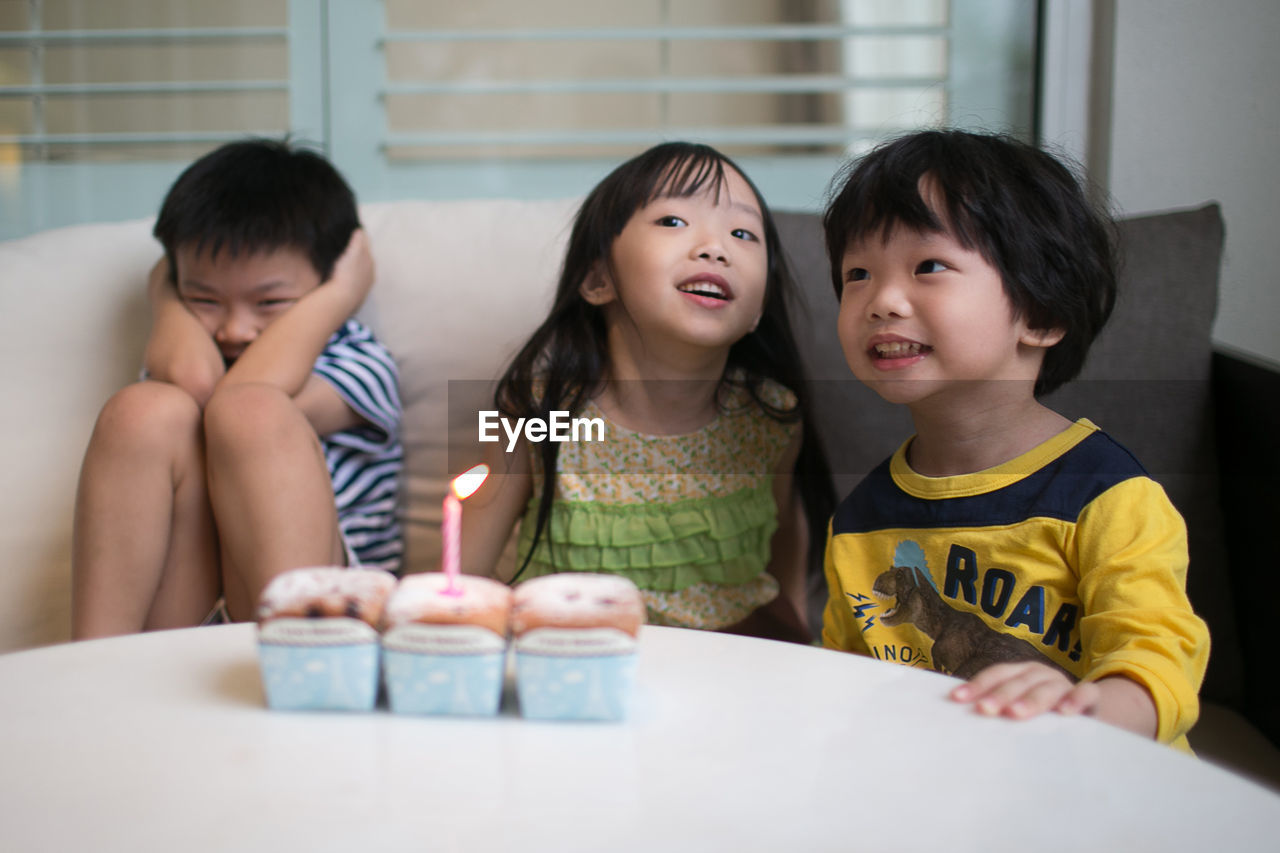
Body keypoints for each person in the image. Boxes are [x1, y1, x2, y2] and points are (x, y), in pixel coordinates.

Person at [820, 129, 1209, 749]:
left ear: (1042, 313)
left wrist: (1085, 715)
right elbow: (841, 685)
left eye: (928, 266)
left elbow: (1157, 658)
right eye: (857, 274)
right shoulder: (860, 522)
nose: (882, 301)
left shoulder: (1108, 498)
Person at [461, 142, 832, 642]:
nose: (715, 248)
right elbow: (461, 574)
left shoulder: (772, 416)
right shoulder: (536, 410)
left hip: (736, 663)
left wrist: (797, 623)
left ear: (759, 308)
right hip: (572, 653)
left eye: (743, 234)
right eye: (673, 221)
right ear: (598, 279)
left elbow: (788, 533)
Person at [71, 139, 402, 638]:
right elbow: (197, 383)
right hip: (191, 615)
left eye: (270, 302)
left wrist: (339, 297)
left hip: (331, 611)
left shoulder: (358, 360)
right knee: (142, 411)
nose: (233, 330)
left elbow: (239, 402)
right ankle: (91, 662)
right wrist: (164, 297)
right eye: (201, 298)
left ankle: (307, 654)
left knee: (252, 413)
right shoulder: (184, 358)